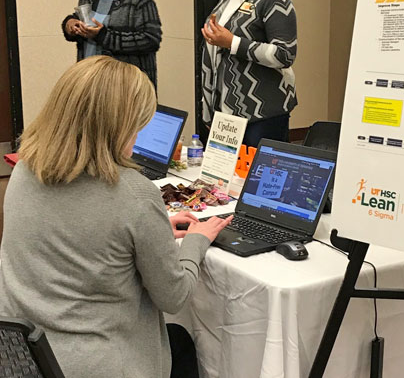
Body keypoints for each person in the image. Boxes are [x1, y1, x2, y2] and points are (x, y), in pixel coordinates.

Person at [0, 56, 232, 377]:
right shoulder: (134, 195)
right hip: (101, 364)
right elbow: (174, 296)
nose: (138, 138)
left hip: (25, 357)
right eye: (136, 127)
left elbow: (80, 232)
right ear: (116, 128)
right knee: (185, 343)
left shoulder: (24, 171)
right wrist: (195, 242)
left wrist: (151, 231)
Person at [201, 0, 297, 147]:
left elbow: (285, 55)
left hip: (262, 113)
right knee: (223, 181)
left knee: (254, 180)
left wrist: (232, 42)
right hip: (225, 112)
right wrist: (208, 108)